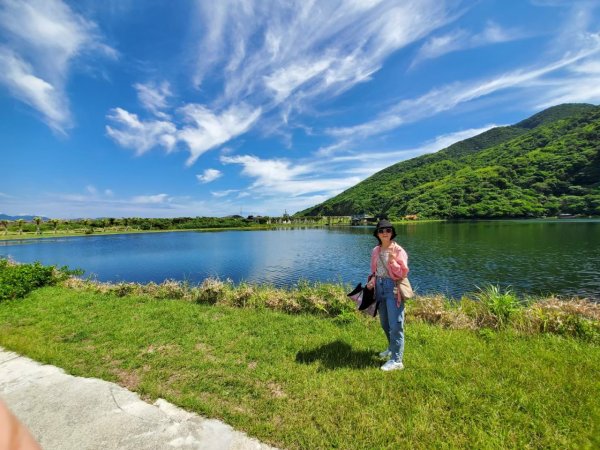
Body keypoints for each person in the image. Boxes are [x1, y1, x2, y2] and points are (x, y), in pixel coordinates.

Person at [366, 219, 409, 371]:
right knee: (385, 323)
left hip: (393, 288)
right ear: (377, 234)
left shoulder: (398, 251)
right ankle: (392, 348)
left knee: (396, 324)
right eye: (381, 231)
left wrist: (392, 261)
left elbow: (402, 273)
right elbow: (373, 271)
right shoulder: (375, 251)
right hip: (379, 287)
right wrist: (371, 281)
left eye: (388, 230)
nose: (385, 233)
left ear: (392, 233)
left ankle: (397, 361)